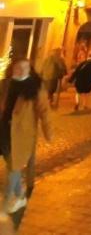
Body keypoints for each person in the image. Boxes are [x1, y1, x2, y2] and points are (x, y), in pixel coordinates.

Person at [0, 58, 52, 214]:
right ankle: (21, 196)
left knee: (14, 168)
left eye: (25, 68)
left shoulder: (35, 87)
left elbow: (45, 111)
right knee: (11, 165)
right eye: (18, 68)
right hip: (3, 130)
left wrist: (48, 132)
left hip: (21, 134)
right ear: (12, 70)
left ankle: (5, 204)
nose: (22, 71)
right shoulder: (6, 84)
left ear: (30, 69)